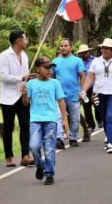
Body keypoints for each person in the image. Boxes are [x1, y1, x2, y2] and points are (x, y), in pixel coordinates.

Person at [22, 57, 68, 185]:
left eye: (50, 67)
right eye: (46, 67)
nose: (49, 70)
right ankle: (40, 165)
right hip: (35, 120)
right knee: (33, 146)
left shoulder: (55, 83)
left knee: (49, 148)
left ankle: (49, 174)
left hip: (51, 120)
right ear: (37, 69)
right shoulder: (31, 84)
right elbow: (26, 103)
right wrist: (24, 94)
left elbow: (61, 101)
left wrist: (64, 119)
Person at [82, 38, 112, 154]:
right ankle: (109, 136)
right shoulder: (96, 62)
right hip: (98, 93)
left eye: (107, 48)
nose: (104, 50)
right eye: (103, 48)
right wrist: (84, 90)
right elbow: (90, 77)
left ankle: (110, 142)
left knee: (110, 116)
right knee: (104, 117)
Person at [0, 30, 35, 167]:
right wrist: (22, 78)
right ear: (18, 40)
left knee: (25, 125)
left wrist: (27, 85)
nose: (26, 42)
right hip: (8, 98)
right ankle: (9, 157)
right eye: (25, 39)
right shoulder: (4, 56)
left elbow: (25, 76)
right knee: (9, 127)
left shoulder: (24, 56)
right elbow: (4, 77)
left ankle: (25, 155)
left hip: (22, 95)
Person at [52, 38, 87, 148]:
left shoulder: (77, 61)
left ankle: (72, 137)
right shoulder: (55, 61)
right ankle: (60, 138)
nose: (63, 48)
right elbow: (52, 77)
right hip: (59, 96)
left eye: (65, 45)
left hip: (73, 94)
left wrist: (81, 91)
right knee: (59, 117)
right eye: (61, 46)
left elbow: (82, 76)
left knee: (75, 118)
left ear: (71, 47)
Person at [77, 44, 102, 132]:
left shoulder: (95, 60)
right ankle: (90, 124)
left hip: (94, 86)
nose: (83, 54)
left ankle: (100, 120)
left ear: (88, 52)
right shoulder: (78, 62)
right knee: (86, 107)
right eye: (82, 53)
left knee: (97, 104)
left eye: (85, 52)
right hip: (84, 87)